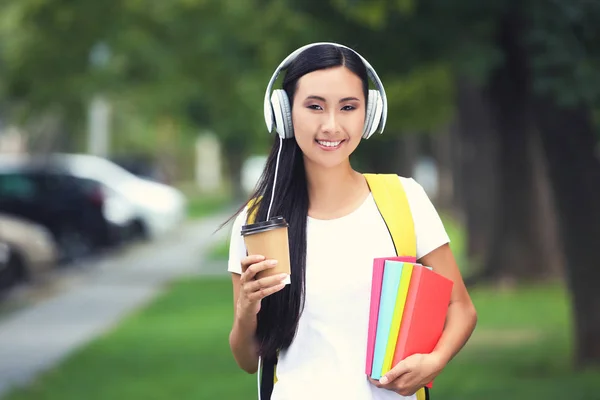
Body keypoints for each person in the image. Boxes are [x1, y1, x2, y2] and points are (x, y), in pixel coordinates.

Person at [226, 42, 477, 400]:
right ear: (284, 113)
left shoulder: (404, 199)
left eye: (348, 107)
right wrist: (247, 309)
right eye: (314, 107)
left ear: (369, 114)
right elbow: (247, 360)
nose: (331, 125)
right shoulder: (259, 221)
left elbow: (461, 307)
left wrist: (435, 361)